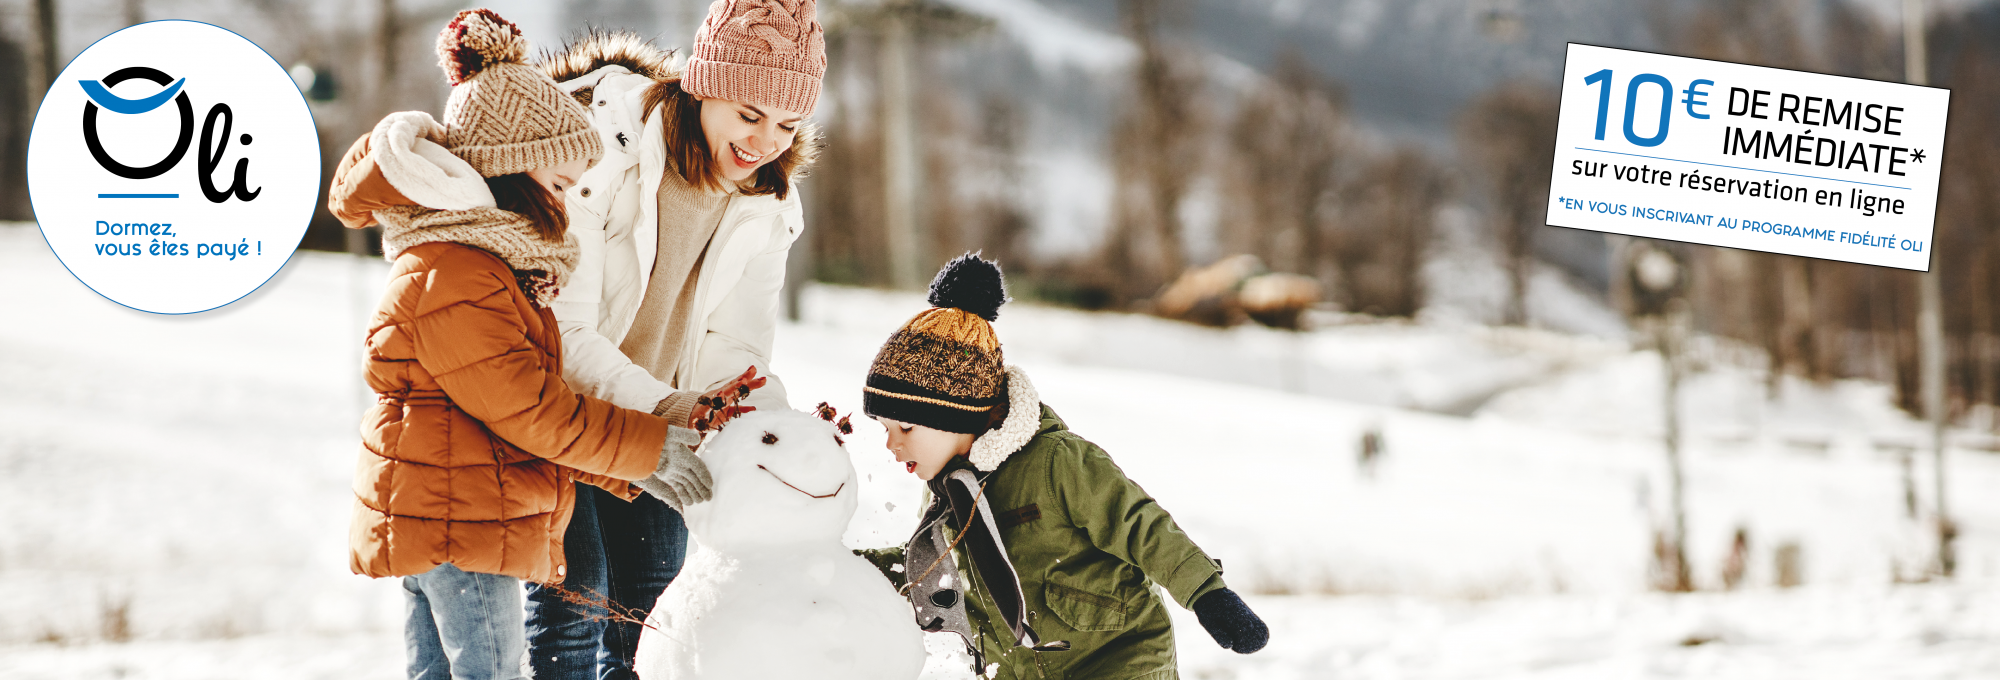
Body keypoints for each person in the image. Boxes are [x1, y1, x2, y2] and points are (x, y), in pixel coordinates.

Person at [327, 9, 746, 679]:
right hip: (458, 525)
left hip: (447, 516)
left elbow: (523, 420)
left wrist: (631, 466)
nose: (564, 205)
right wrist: (646, 446)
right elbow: (530, 408)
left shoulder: (472, 266)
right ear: (510, 172)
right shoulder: (459, 273)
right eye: (558, 186)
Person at [522, 1, 823, 677]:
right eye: (748, 114)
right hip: (563, 415)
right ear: (703, 85)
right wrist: (668, 408)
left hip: (660, 430)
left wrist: (764, 429)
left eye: (787, 123)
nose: (765, 142)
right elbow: (564, 329)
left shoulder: (769, 205)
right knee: (574, 614)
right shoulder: (602, 148)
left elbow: (735, 347)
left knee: (654, 628)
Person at [857, 254, 1272, 679]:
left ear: (957, 416)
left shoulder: (1056, 462)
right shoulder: (945, 489)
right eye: (885, 428)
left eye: (906, 426)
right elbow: (929, 571)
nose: (892, 443)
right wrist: (841, 568)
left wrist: (1208, 595)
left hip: (1118, 658)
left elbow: (1140, 525)